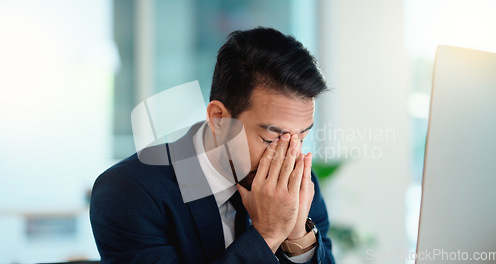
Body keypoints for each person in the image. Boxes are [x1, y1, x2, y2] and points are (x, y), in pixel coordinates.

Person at [90, 27, 336, 264]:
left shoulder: (299, 187)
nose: (287, 157)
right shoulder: (129, 191)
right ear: (219, 118)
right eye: (271, 139)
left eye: (301, 139)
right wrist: (268, 235)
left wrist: (297, 238)